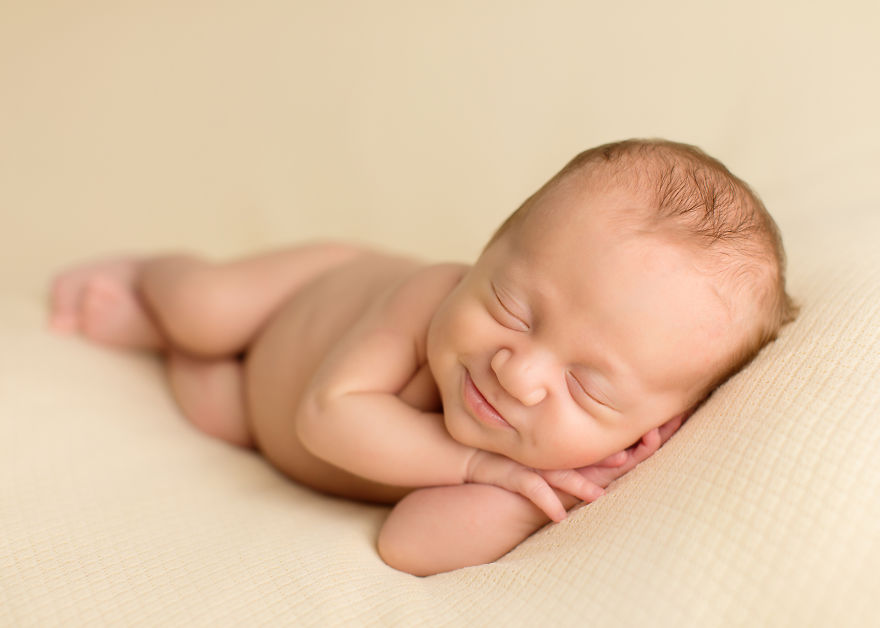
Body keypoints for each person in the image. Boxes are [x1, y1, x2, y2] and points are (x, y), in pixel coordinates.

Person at [48, 139, 798, 576]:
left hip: (254, 417)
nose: (519, 371)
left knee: (213, 405)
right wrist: (480, 465)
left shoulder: (541, 473)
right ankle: (157, 279)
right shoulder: (430, 299)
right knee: (207, 314)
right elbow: (325, 415)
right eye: (511, 306)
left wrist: (535, 494)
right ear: (483, 253)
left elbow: (408, 543)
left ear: (648, 436)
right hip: (298, 302)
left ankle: (168, 349)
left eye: (587, 387)